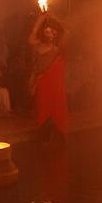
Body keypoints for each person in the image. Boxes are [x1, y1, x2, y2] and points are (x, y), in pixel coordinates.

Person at [29, 13, 68, 141]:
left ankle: (57, 133)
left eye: (52, 32)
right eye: (47, 32)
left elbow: (65, 31)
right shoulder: (39, 46)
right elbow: (31, 38)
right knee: (43, 107)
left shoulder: (57, 49)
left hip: (56, 85)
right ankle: (43, 134)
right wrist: (41, 19)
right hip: (43, 82)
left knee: (57, 107)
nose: (50, 34)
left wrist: (54, 18)